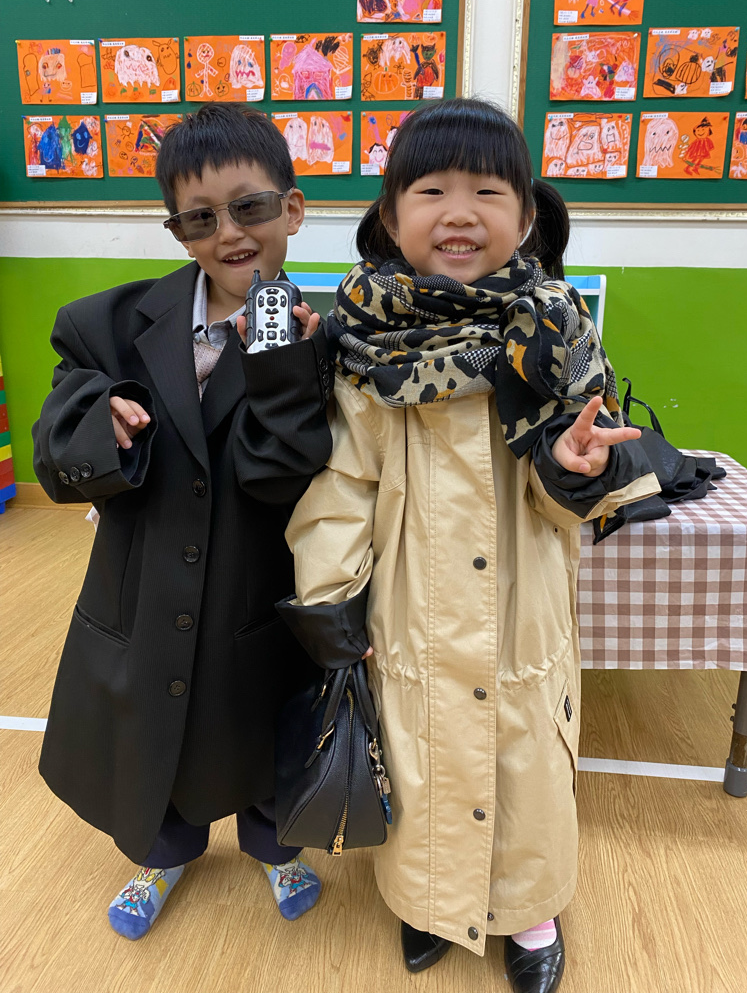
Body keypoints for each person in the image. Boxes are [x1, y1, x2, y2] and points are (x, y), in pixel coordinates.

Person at [277, 98, 660, 993]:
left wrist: (573, 466)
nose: (459, 212)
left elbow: (575, 499)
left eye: (488, 191)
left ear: (525, 218)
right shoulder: (366, 346)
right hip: (410, 612)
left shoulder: (556, 336)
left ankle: (530, 913)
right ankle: (429, 904)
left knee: (525, 766)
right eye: (432, 191)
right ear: (390, 217)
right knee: (421, 762)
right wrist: (331, 600)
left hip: (523, 615)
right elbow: (343, 485)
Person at [32, 103, 333, 941]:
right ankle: (162, 854)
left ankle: (275, 849)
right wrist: (101, 424)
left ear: (292, 209)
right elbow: (56, 453)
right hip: (143, 584)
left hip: (258, 583)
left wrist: (285, 366)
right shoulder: (106, 325)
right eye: (199, 219)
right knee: (152, 729)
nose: (229, 234)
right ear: (176, 230)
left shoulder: (321, 338)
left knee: (266, 720)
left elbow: (280, 476)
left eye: (250, 207)